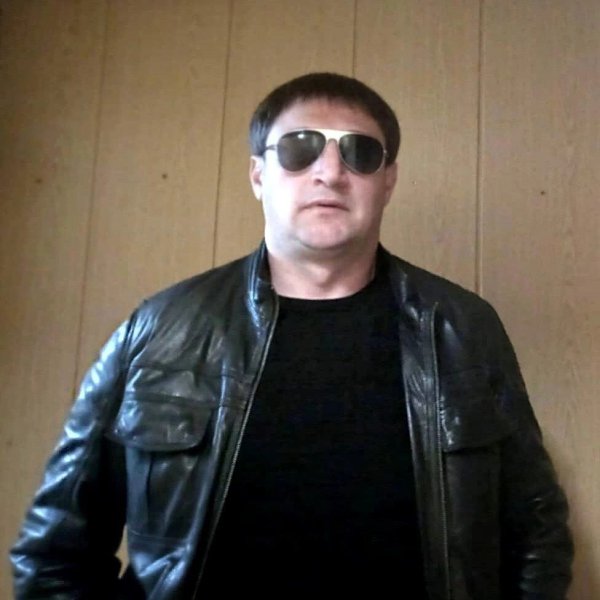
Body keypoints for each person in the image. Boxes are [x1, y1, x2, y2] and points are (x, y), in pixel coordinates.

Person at [11, 72, 573, 599]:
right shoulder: (159, 329)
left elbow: (536, 530)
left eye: (360, 152)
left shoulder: (463, 328)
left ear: (388, 181)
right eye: (300, 148)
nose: (330, 172)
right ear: (258, 174)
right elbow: (54, 554)